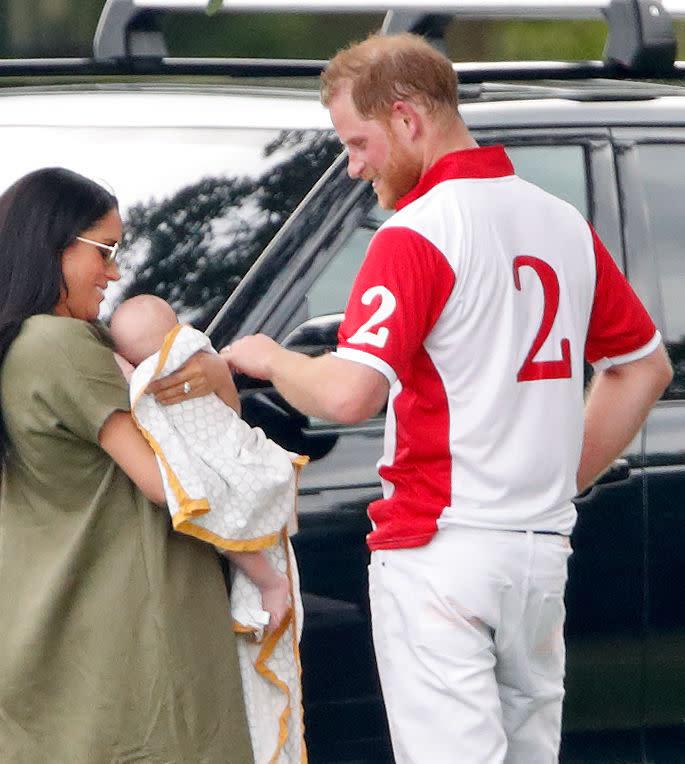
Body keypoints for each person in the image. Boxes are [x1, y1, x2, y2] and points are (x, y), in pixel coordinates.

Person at [221, 33, 674, 764]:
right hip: (536, 554)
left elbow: (348, 394)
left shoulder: (416, 232)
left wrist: (272, 358)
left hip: (439, 553)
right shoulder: (559, 221)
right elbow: (641, 369)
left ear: (406, 119)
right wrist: (557, 479)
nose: (353, 164)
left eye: (357, 141)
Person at [0, 167, 253, 763]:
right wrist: (214, 370)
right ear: (49, 244)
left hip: (60, 644)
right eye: (104, 251)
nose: (114, 272)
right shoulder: (61, 344)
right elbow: (173, 481)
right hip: (128, 650)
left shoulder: (10, 345)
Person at [109, 293, 307, 764]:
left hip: (228, 477)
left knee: (224, 518)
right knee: (231, 518)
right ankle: (270, 582)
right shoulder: (202, 356)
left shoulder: (157, 374)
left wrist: (124, 363)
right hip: (241, 469)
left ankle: (269, 582)